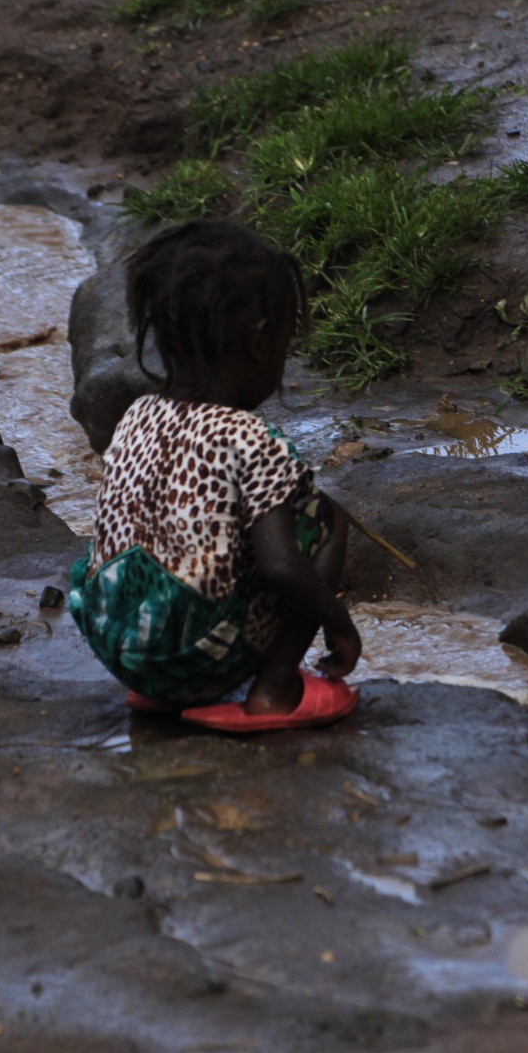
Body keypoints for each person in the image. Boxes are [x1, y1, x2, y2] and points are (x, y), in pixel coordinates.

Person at [66, 219, 362, 732]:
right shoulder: (249, 437)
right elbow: (280, 568)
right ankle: (274, 689)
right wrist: (340, 623)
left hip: (118, 643)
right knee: (327, 518)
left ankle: (157, 688)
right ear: (260, 342)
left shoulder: (137, 414)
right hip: (198, 657)